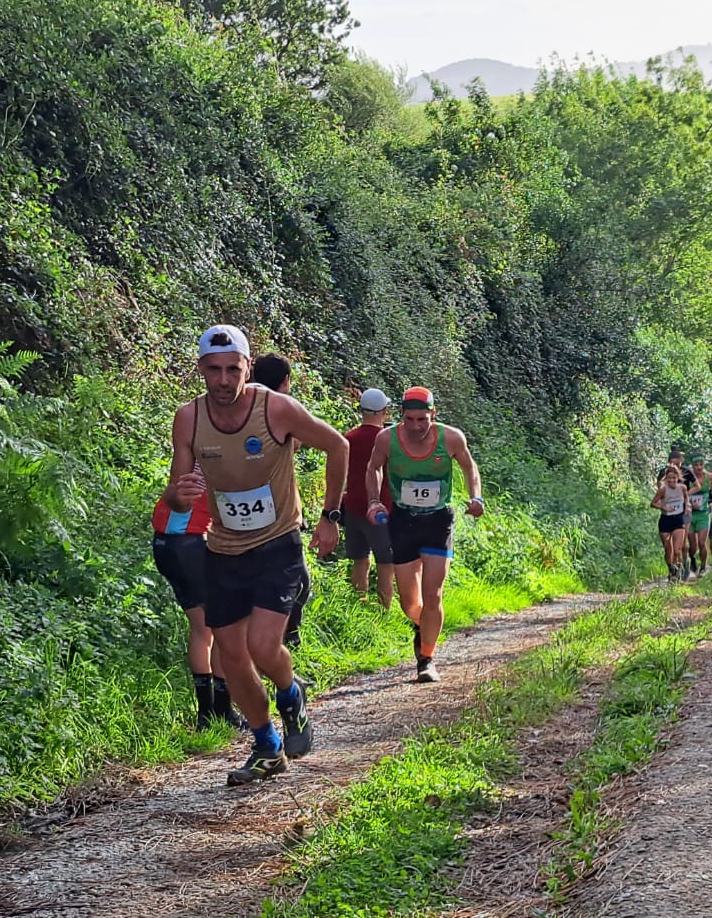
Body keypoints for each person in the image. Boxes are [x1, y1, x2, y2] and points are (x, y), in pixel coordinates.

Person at [162, 325, 350, 787]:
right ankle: (267, 746)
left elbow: (338, 445)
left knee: (262, 647)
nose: (223, 379)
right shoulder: (189, 418)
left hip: (278, 543)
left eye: (233, 369)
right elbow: (178, 494)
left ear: (248, 367)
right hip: (223, 548)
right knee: (230, 653)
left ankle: (291, 695)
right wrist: (180, 495)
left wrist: (330, 516)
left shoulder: (276, 408)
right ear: (200, 370)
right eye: (213, 370)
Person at [364, 387, 485, 683]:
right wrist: (374, 500)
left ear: (434, 414)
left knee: (433, 594)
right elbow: (373, 468)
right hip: (403, 520)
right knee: (409, 602)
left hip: (438, 521)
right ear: (400, 416)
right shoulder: (386, 438)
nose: (416, 426)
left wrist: (476, 497)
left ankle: (426, 659)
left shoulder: (451, 438)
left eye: (423, 419)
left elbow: (470, 468)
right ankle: (425, 627)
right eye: (409, 419)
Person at [151, 490, 242, 731]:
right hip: (191, 542)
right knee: (223, 625)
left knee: (203, 628)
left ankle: (206, 715)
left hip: (165, 544)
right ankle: (222, 712)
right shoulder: (217, 457)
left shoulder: (189, 460)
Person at [248, 352, 311, 647]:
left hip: (235, 515)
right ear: (286, 381)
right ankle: (285, 641)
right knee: (298, 582)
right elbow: (298, 443)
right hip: (279, 514)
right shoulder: (284, 410)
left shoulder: (236, 407)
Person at [341, 388, 395, 608]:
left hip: (353, 508)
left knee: (359, 561)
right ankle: (384, 611)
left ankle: (358, 607)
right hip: (383, 510)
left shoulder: (348, 439)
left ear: (361, 410)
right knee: (386, 563)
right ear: (384, 411)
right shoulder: (388, 440)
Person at [651, 464, 689, 580]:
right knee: (668, 549)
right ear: (666, 478)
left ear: (678, 477)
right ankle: (671, 569)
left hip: (678, 520)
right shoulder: (663, 490)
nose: (672, 480)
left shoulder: (682, 488)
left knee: (677, 550)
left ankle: (678, 570)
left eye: (674, 478)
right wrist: (663, 508)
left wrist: (687, 507)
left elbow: (686, 498)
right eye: (669, 478)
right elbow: (653, 503)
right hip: (665, 521)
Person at [686, 454, 712, 575]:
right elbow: (682, 492)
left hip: (703, 515)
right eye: (696, 465)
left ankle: (703, 567)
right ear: (692, 466)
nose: (699, 467)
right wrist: (688, 503)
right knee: (692, 546)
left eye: (701, 464)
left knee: (701, 542)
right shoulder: (687, 477)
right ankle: (693, 559)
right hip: (689, 514)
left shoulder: (709, 477)